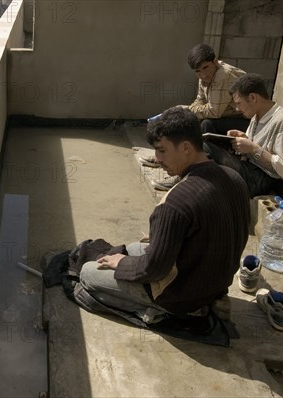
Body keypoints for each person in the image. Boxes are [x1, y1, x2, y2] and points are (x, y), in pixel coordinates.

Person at [77, 107, 250, 324]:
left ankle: (165, 312)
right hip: (215, 281)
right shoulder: (234, 178)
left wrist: (122, 264)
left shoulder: (175, 202)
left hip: (182, 295)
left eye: (162, 151)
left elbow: (154, 269)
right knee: (132, 249)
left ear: (186, 147)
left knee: (87, 273)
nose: (157, 159)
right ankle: (205, 302)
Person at [142, 44, 249, 190]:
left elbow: (214, 111)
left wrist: (186, 109)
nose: (203, 74)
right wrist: (187, 112)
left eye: (206, 68)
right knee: (192, 124)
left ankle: (184, 174)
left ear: (215, 62)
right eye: (198, 71)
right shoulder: (204, 76)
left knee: (205, 126)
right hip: (223, 119)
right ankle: (167, 158)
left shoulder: (223, 75)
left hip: (244, 122)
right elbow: (200, 101)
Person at [204, 73, 283, 197]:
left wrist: (253, 148)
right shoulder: (256, 116)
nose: (237, 109)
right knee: (206, 130)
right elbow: (254, 146)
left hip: (258, 180)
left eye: (239, 103)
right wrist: (244, 138)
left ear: (253, 98)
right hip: (247, 167)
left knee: (203, 147)